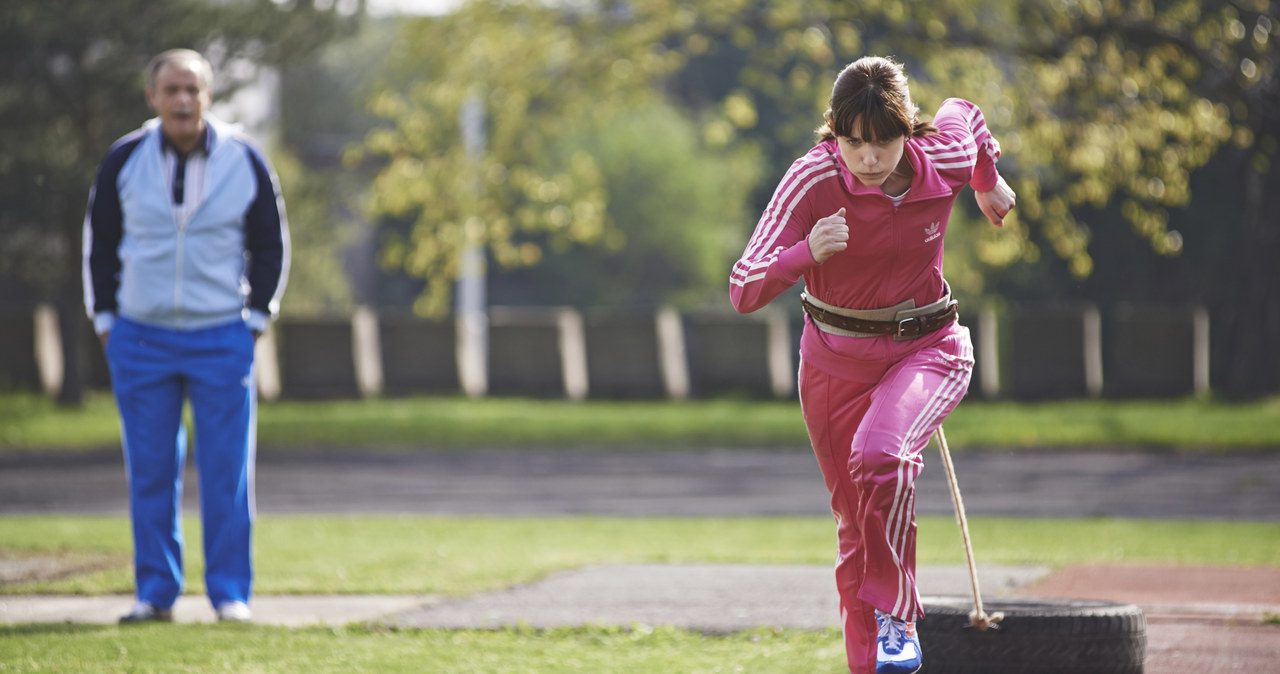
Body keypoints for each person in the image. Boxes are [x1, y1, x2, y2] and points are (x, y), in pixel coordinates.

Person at [730, 56, 1015, 673]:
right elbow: (743, 286)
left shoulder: (939, 158)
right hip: (833, 364)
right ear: (833, 130)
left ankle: (896, 616)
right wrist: (804, 253)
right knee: (857, 529)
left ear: (907, 128)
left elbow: (965, 114)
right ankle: (875, 663)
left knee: (882, 456)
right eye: (852, 141)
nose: (868, 157)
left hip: (929, 350)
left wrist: (987, 180)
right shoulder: (810, 179)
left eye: (883, 141)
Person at [82, 48, 289, 624]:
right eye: (171, 89)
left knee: (226, 473)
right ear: (152, 97)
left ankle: (230, 595)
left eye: (192, 90)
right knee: (151, 472)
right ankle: (156, 594)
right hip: (140, 338)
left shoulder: (244, 158)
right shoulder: (124, 158)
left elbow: (272, 245)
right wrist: (105, 320)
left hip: (221, 335)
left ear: (209, 95)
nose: (182, 100)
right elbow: (98, 245)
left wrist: (256, 320)